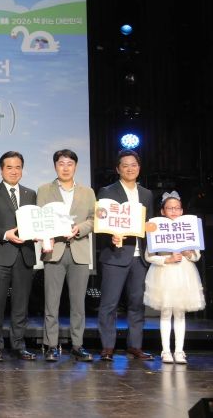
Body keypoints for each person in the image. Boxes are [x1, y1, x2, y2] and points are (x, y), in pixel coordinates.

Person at [36, 149, 95, 362]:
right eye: (61, 163)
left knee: (78, 303)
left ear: (76, 166)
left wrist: (80, 228)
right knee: (51, 302)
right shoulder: (44, 190)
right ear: (55, 166)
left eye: (70, 164)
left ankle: (77, 345)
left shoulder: (87, 192)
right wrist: (46, 236)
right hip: (54, 251)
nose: (66, 168)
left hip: (79, 250)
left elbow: (94, 219)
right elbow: (40, 218)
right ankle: (51, 345)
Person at [96, 149, 154, 361]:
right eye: (125, 165)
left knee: (137, 303)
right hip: (115, 255)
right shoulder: (107, 191)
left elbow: (149, 223)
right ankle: (107, 347)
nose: (130, 169)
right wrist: (110, 235)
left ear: (139, 168)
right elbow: (100, 221)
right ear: (118, 169)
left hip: (140, 258)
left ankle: (135, 346)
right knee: (109, 303)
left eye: (134, 165)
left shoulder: (146, 194)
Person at [0, 151, 37, 361]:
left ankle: (18, 344)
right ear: (1, 170)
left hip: (25, 255)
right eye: (9, 167)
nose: (14, 171)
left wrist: (39, 232)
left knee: (21, 305)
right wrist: (5, 234)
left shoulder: (31, 194)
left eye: (18, 167)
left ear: (22, 169)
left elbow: (36, 221)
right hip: (0, 253)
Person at [144, 192, 205, 364]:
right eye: (170, 208)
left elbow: (197, 256)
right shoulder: (156, 228)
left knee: (180, 313)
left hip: (184, 274)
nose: (174, 211)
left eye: (177, 208)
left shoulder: (189, 227)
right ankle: (165, 351)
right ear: (163, 211)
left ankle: (179, 351)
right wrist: (166, 259)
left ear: (182, 210)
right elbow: (149, 256)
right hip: (164, 273)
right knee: (166, 312)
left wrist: (189, 253)